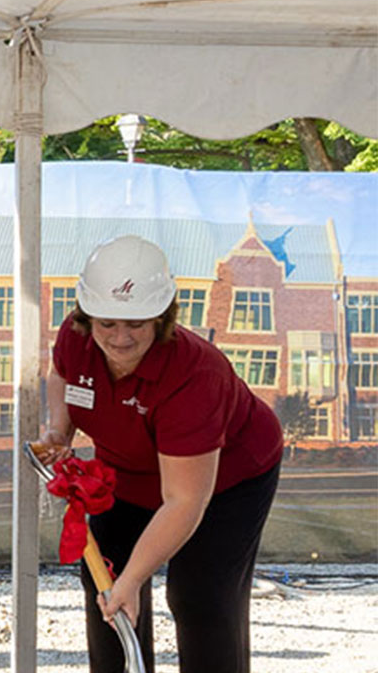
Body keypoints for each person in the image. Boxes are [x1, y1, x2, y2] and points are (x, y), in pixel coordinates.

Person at [40, 235, 283, 673]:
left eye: (136, 323)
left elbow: (184, 500)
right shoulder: (76, 339)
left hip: (225, 479)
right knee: (106, 587)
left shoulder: (195, 375)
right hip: (127, 471)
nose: (120, 337)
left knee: (200, 594)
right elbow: (62, 374)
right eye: (107, 323)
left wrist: (135, 578)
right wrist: (59, 429)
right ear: (87, 317)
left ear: (161, 317)